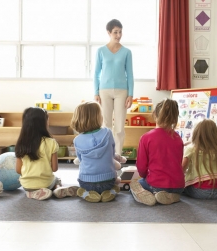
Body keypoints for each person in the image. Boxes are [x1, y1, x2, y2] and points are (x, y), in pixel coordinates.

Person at [15, 107, 78, 200]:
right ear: (44, 123)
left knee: (30, 186)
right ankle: (57, 188)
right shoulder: (51, 142)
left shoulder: (21, 143)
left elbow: (18, 170)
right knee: (56, 179)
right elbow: (54, 168)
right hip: (46, 183)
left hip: (27, 185)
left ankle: (31, 193)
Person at [131, 99, 184, 206]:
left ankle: (152, 195)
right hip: (178, 186)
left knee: (135, 184)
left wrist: (145, 176)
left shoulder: (146, 137)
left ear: (154, 114)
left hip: (156, 184)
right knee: (164, 186)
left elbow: (141, 166)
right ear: (175, 117)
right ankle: (172, 196)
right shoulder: (178, 137)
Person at [94, 19, 134, 155]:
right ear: (109, 33)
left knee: (119, 126)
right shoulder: (101, 51)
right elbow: (96, 73)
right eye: (115, 32)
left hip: (122, 92)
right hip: (104, 91)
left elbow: (130, 75)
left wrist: (131, 94)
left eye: (120, 32)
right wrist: (96, 92)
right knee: (106, 125)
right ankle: (107, 154)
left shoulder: (127, 52)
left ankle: (117, 155)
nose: (118, 35)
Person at [70, 101, 121, 203]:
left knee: (83, 181)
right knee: (118, 179)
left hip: (86, 182)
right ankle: (111, 191)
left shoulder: (77, 140)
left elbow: (81, 160)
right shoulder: (108, 133)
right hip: (108, 181)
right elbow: (111, 154)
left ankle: (85, 193)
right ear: (99, 117)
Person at [182, 119, 217, 199]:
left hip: (201, 191)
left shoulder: (191, 149)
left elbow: (182, 169)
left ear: (195, 133)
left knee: (181, 186)